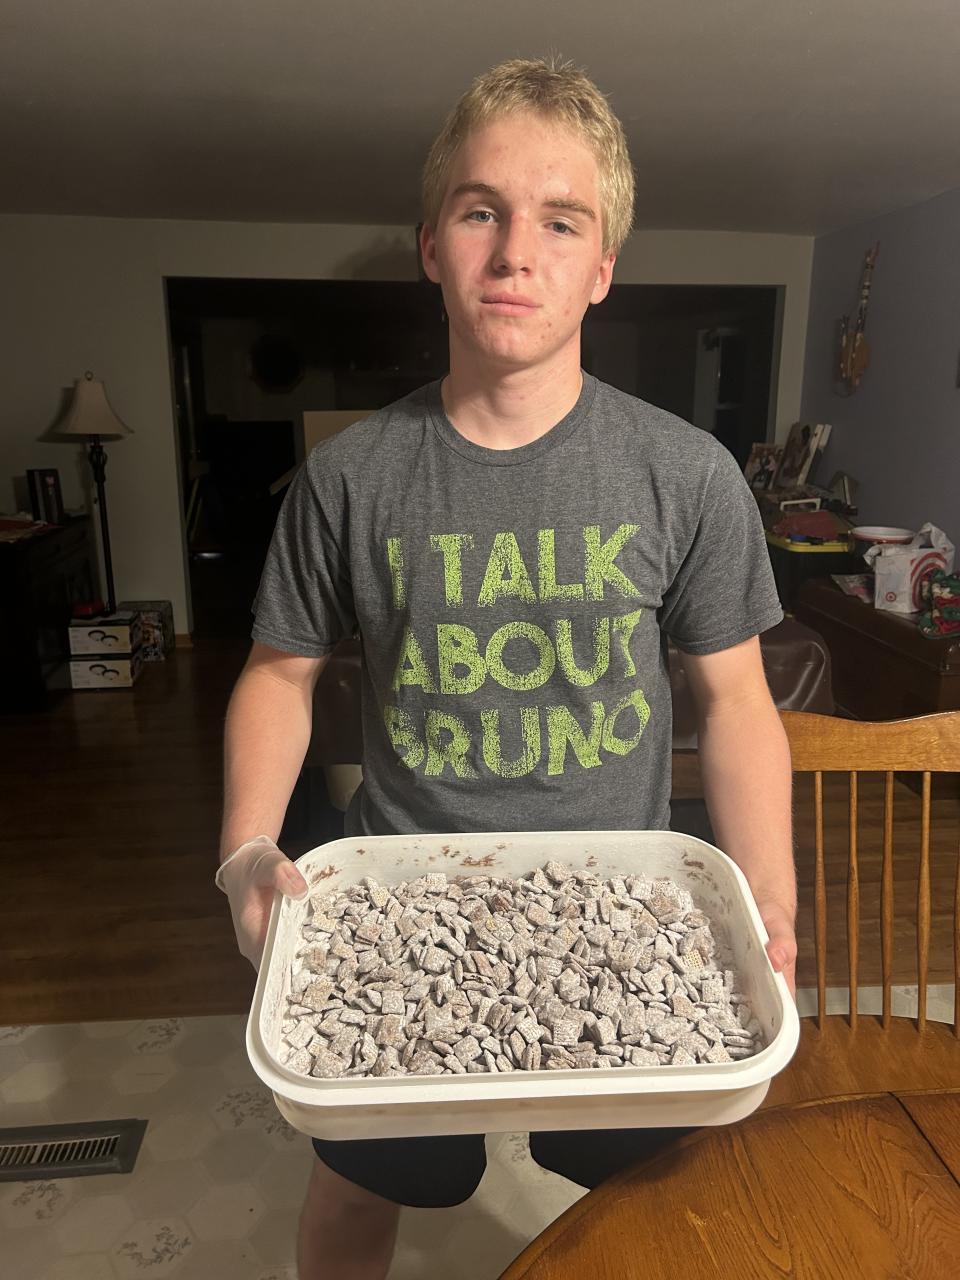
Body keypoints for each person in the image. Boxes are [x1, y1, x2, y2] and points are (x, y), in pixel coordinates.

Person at [217, 55, 797, 1280]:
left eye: (561, 220)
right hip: (400, 900)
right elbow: (279, 674)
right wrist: (244, 846)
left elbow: (737, 696)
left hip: (622, 907)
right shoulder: (348, 479)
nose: (516, 252)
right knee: (356, 1194)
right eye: (482, 211)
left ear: (602, 267)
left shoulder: (687, 474)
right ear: (433, 245)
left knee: (662, 1211)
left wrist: (771, 895)